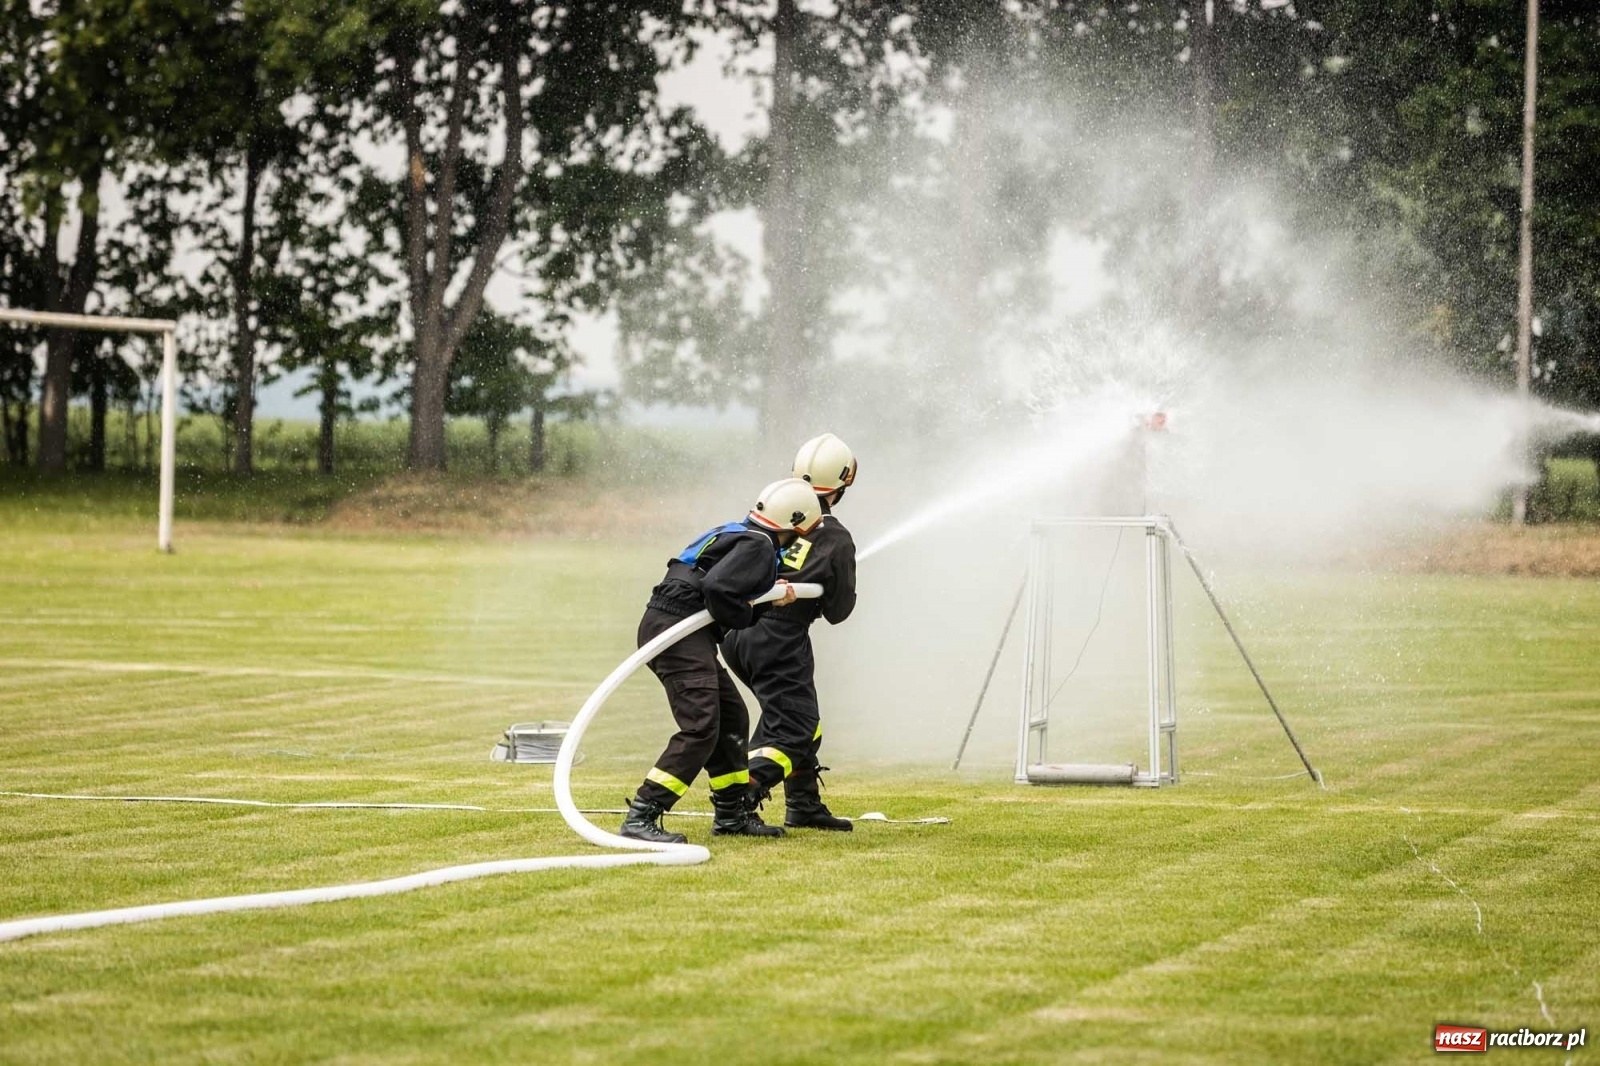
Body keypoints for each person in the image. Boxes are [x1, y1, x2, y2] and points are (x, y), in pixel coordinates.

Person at [620, 477, 823, 844]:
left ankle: (731, 814)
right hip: (678, 632)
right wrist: (757, 606)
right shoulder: (760, 546)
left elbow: (719, 589)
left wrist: (765, 600)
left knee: (732, 717)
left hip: (678, 627)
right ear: (795, 522)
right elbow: (718, 591)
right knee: (701, 725)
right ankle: (643, 813)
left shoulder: (740, 533)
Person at [722, 433, 858, 832]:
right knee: (793, 727)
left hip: (737, 631)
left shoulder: (778, 512)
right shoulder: (835, 536)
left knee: (802, 719)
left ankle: (803, 804)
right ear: (843, 484)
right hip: (777, 638)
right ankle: (740, 799)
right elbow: (839, 612)